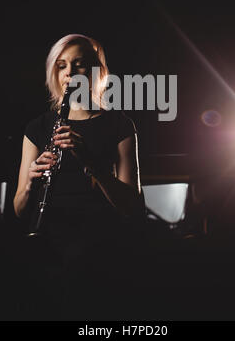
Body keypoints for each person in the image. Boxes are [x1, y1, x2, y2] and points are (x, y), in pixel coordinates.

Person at [12, 33, 146, 319]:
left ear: (97, 71)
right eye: (61, 66)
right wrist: (31, 183)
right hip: (49, 231)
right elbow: (20, 209)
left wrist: (92, 165)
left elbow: (132, 206)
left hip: (99, 236)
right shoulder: (37, 127)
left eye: (79, 64)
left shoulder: (120, 125)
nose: (69, 72)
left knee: (79, 266)